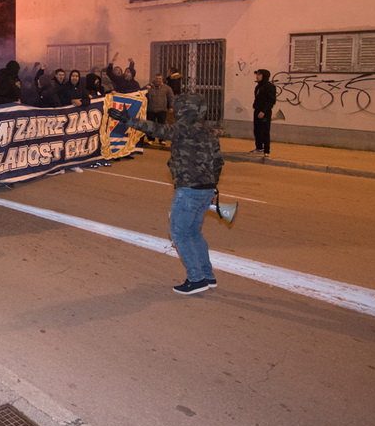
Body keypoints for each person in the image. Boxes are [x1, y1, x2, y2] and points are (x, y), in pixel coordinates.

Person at [109, 93, 224, 295]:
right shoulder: (209, 131)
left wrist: (128, 120)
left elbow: (157, 130)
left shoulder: (183, 128)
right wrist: (212, 187)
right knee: (194, 232)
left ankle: (196, 279)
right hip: (206, 189)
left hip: (188, 189)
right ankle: (208, 275)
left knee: (179, 233)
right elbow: (218, 162)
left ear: (182, 109)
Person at [144, 74, 175, 143]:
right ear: (153, 79)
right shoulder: (148, 87)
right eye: (156, 78)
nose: (158, 80)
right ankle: (150, 139)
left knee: (162, 126)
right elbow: (142, 94)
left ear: (162, 79)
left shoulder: (167, 88)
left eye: (159, 79)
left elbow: (171, 98)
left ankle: (162, 140)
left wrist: (171, 107)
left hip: (162, 110)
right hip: (150, 109)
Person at [252, 69, 276, 156]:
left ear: (264, 76)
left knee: (265, 130)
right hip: (257, 111)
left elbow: (271, 101)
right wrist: (255, 106)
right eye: (256, 75)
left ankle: (266, 150)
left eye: (259, 75)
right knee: (257, 130)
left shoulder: (270, 87)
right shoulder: (258, 87)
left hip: (264, 112)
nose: (257, 76)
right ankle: (259, 147)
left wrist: (263, 111)